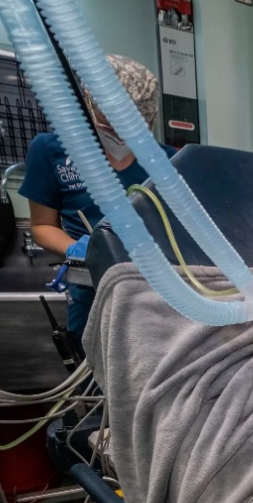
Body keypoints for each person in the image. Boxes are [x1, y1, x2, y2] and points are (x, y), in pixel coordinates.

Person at [20, 54, 175, 336]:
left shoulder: (167, 161)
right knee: (94, 374)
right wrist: (79, 248)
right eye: (111, 121)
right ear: (89, 101)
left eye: (130, 123)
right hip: (93, 290)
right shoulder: (52, 151)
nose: (119, 132)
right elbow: (42, 226)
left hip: (156, 295)